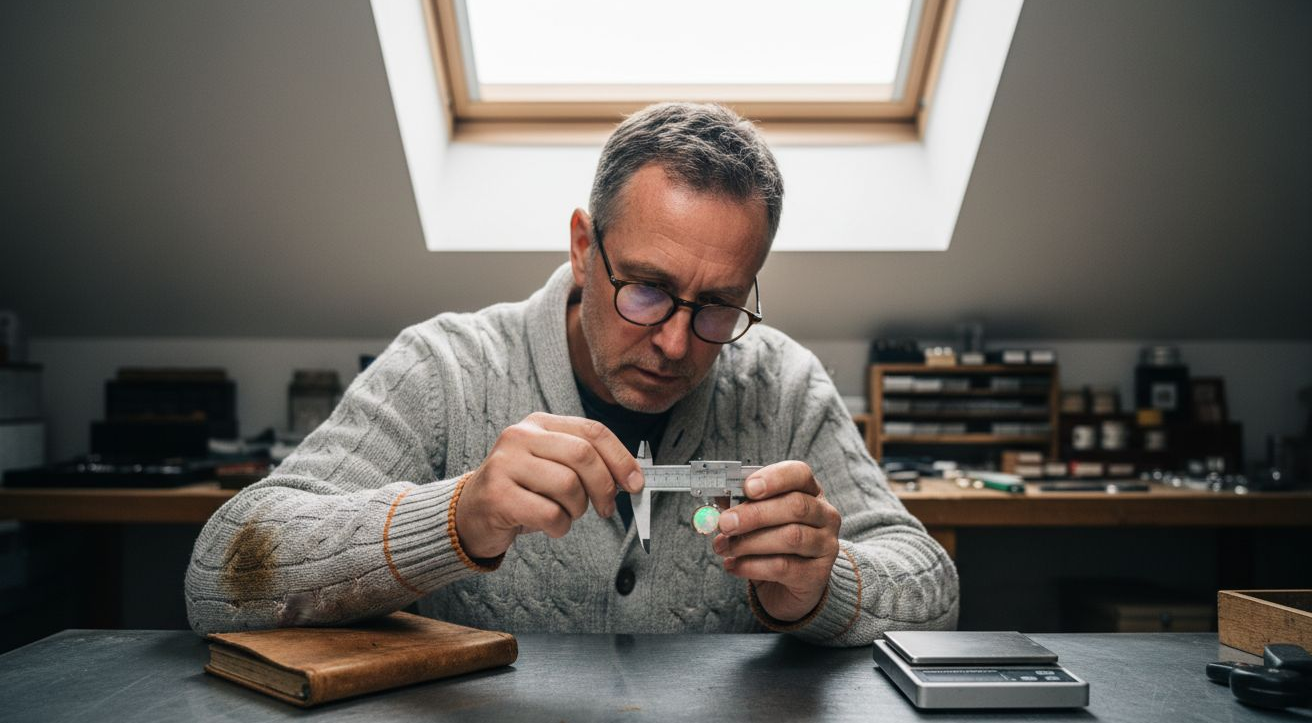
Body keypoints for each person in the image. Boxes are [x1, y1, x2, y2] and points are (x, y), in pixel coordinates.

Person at [185, 102, 958, 646]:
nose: (677, 344)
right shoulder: (445, 369)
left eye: (719, 305)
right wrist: (454, 520)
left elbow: (933, 588)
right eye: (648, 290)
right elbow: (220, 576)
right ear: (584, 247)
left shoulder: (783, 386)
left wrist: (827, 585)